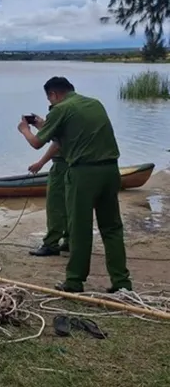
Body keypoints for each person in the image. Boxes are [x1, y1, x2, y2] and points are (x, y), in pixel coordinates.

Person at [18, 76, 132, 293]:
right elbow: (67, 137)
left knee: (80, 229)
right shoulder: (94, 103)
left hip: (83, 173)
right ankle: (122, 283)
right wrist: (45, 125)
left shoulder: (60, 109)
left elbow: (36, 143)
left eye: (50, 99)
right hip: (110, 171)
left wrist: (24, 128)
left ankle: (74, 281)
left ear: (53, 95)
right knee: (112, 228)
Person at [27, 104, 70, 257]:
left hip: (62, 166)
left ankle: (51, 244)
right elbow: (59, 138)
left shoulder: (62, 112)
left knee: (55, 205)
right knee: (70, 204)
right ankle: (69, 241)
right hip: (74, 165)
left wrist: (24, 130)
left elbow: (56, 143)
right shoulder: (73, 116)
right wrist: (43, 127)